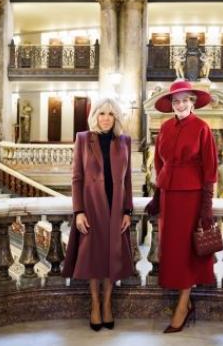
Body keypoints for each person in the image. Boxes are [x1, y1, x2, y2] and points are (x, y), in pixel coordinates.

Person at [145, 80, 217, 334]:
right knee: (172, 250)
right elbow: (158, 163)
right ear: (171, 104)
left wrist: (206, 207)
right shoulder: (164, 127)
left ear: (192, 102)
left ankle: (183, 306)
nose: (180, 104)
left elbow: (210, 169)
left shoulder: (202, 127)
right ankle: (183, 303)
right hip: (168, 195)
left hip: (192, 196)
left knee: (187, 251)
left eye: (185, 100)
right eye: (176, 101)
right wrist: (156, 195)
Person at [62, 97, 134, 331]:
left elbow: (128, 179)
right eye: (102, 113)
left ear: (116, 118)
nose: (106, 118)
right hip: (92, 207)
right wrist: (79, 211)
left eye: (111, 114)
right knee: (94, 257)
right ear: (95, 116)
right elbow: (76, 178)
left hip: (116, 207)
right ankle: (94, 304)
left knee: (112, 257)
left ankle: (107, 304)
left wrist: (127, 210)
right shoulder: (83, 139)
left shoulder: (124, 141)